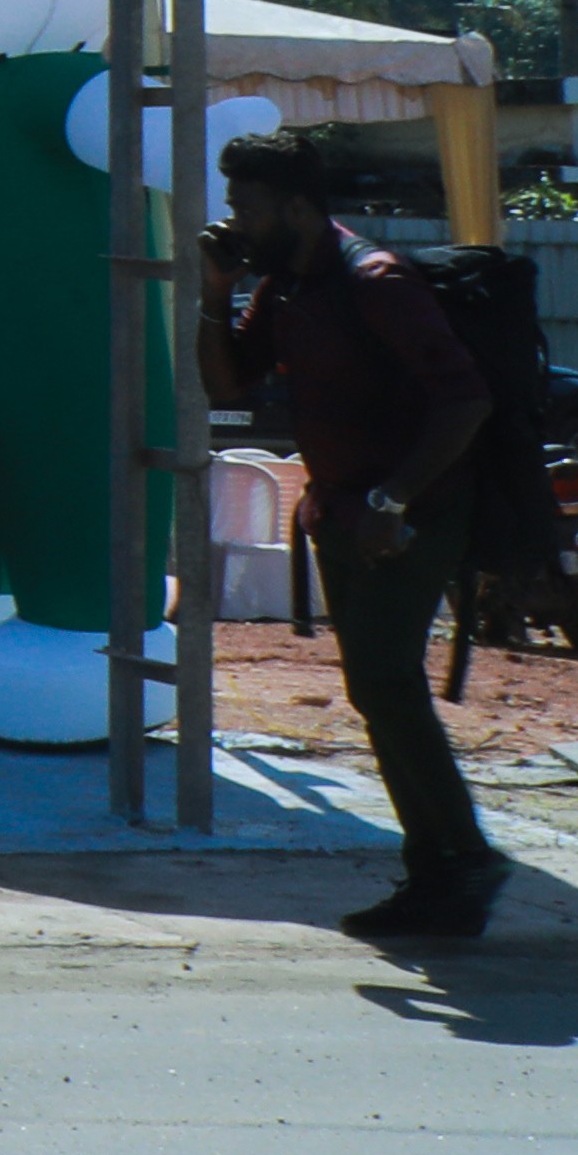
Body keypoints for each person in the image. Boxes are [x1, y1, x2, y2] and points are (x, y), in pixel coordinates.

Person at [218, 133, 503, 943]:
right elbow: (226, 381)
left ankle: (462, 859)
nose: (234, 221)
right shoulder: (286, 287)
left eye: (246, 207)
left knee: (386, 683)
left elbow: (465, 400)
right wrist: (214, 292)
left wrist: (392, 498)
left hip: (409, 517)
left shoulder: (376, 281)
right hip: (346, 514)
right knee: (377, 690)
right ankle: (439, 872)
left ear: (297, 207)